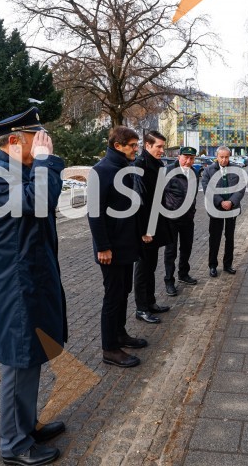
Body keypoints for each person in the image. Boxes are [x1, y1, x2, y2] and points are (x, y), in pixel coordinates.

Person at [0, 107, 66, 466]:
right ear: (15, 140)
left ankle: (26, 425)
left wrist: (41, 164)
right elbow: (41, 202)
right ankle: (13, 444)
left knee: (31, 358)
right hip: (12, 288)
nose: (45, 143)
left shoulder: (17, 172)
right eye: (37, 138)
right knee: (19, 361)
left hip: (26, 282)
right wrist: (45, 163)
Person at [88, 126, 150, 369]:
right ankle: (109, 349)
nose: (136, 149)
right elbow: (95, 213)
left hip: (126, 246)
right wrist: (102, 247)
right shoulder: (101, 171)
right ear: (118, 146)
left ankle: (120, 334)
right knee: (112, 296)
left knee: (123, 291)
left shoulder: (124, 168)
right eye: (132, 145)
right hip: (111, 249)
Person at [132, 131, 173, 324]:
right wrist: (143, 231)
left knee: (152, 266)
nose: (161, 150)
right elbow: (138, 203)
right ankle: (141, 308)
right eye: (158, 146)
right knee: (142, 269)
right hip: (145, 228)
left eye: (163, 147)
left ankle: (150, 302)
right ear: (147, 146)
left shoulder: (158, 165)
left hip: (156, 224)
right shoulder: (139, 166)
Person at [201, 146, 246, 277]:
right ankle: (213, 266)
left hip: (232, 209)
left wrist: (231, 202)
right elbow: (207, 189)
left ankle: (228, 265)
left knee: (230, 238)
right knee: (215, 238)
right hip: (216, 209)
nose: (224, 159)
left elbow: (241, 188)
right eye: (222, 157)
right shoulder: (208, 171)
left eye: (227, 157)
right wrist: (221, 201)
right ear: (217, 157)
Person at [162, 146, 199, 295]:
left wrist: (192, 211)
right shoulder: (168, 171)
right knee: (170, 251)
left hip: (187, 219)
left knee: (186, 247)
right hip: (171, 218)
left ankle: (183, 274)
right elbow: (160, 195)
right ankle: (169, 281)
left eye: (191, 158)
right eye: (185, 157)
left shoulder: (194, 173)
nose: (188, 161)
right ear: (179, 157)